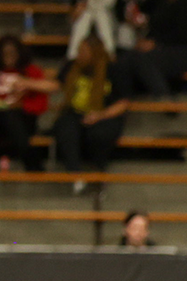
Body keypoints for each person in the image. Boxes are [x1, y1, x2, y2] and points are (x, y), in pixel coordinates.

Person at [50, 34, 130, 188]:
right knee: (65, 127)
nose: (79, 55)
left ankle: (98, 171)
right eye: (79, 51)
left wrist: (100, 115)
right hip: (75, 112)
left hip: (104, 114)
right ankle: (75, 174)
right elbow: (56, 84)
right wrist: (26, 83)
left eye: (83, 51)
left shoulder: (113, 69)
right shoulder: (72, 66)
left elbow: (123, 102)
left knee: (100, 134)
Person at [0, 33, 48, 172]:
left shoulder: (31, 72)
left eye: (12, 53)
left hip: (23, 120)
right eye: (5, 54)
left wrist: (21, 105)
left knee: (9, 114)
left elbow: (41, 104)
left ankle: (33, 166)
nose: (8, 57)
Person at [130, 0, 187, 97]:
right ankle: (126, 99)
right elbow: (154, 29)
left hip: (184, 50)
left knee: (144, 59)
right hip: (162, 48)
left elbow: (185, 34)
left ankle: (164, 97)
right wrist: (145, 41)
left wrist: (156, 43)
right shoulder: (160, 4)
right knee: (128, 58)